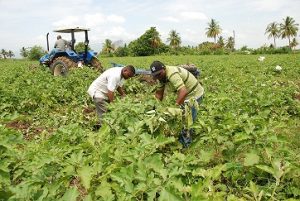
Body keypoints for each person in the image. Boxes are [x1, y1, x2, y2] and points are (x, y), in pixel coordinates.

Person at [150, 61, 204, 147]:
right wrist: (154, 108)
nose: (157, 77)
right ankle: (190, 133)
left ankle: (185, 146)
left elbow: (183, 91)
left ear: (164, 69)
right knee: (185, 117)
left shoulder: (172, 74)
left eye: (159, 74)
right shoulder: (161, 78)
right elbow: (159, 94)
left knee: (186, 121)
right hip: (187, 96)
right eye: (155, 75)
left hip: (195, 95)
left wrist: (175, 107)